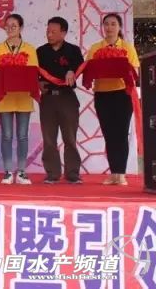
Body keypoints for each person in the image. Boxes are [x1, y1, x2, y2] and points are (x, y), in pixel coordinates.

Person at [87, 13, 140, 186]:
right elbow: (88, 69)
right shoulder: (95, 48)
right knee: (109, 134)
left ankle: (121, 173)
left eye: (113, 24)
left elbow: (135, 71)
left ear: (119, 27)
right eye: (106, 24)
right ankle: (113, 173)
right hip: (102, 95)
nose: (109, 27)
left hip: (122, 94)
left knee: (121, 134)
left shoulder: (127, 47)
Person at [0, 14, 39, 185]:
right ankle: (8, 171)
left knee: (22, 136)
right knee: (7, 136)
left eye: (14, 26)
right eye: (7, 26)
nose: (10, 29)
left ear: (21, 28)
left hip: (24, 98)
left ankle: (22, 172)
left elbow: (34, 73)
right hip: (5, 98)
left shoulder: (30, 49)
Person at [37, 17, 84, 184]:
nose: (49, 34)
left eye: (53, 32)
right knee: (49, 139)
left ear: (63, 33)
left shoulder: (73, 50)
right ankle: (52, 173)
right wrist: (37, 83)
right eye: (48, 31)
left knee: (70, 138)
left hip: (67, 98)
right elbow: (34, 73)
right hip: (48, 99)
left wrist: (71, 70)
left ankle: (72, 173)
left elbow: (80, 67)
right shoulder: (40, 51)